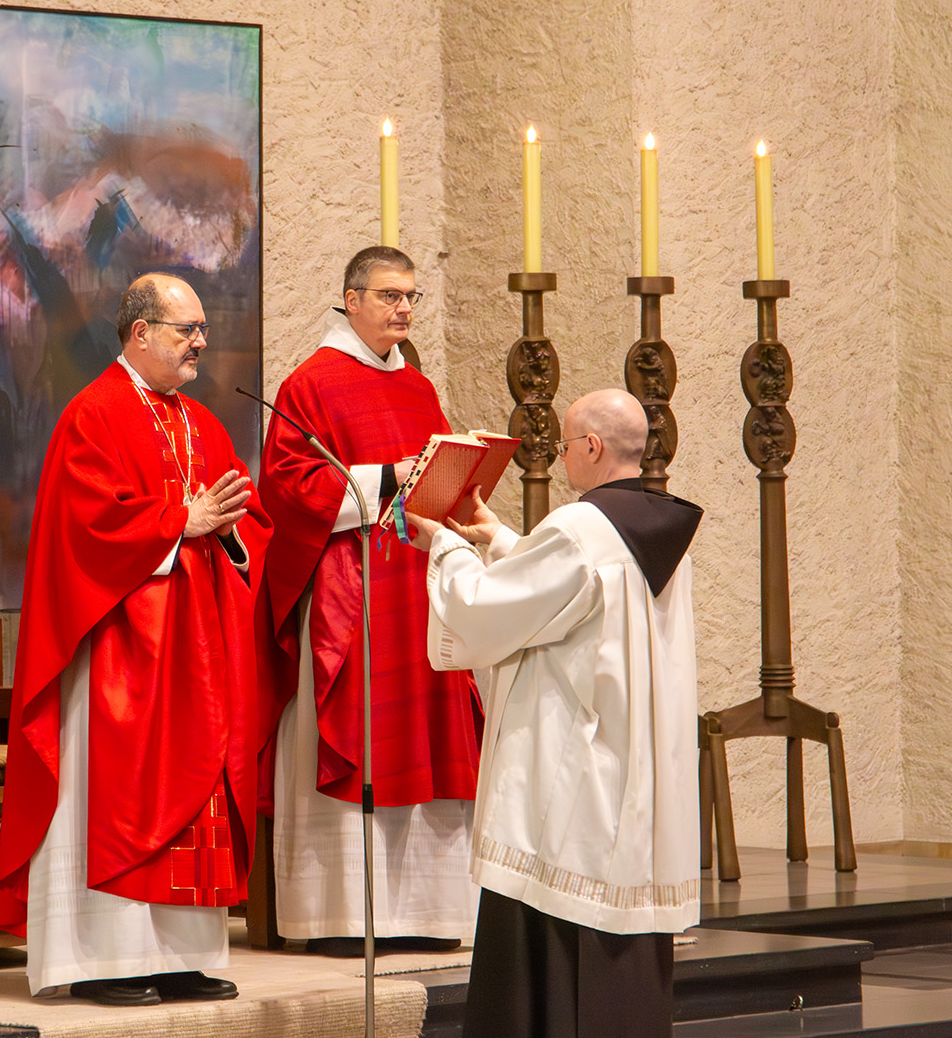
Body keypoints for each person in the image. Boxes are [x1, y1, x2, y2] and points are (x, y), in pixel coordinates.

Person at [0, 272, 272, 1006]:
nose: (201, 343)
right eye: (187, 330)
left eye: (202, 329)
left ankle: (180, 956)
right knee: (119, 800)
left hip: (196, 655)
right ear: (140, 333)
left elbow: (246, 519)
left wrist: (232, 532)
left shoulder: (202, 423)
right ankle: (105, 960)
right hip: (120, 649)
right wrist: (178, 523)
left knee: (196, 796)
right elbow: (84, 530)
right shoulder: (95, 415)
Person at [406, 388, 702, 1038]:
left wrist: (445, 546)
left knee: (548, 971)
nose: (563, 455)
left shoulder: (580, 529)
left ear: (591, 447)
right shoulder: (656, 527)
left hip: (572, 786)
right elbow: (576, 605)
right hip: (632, 781)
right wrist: (503, 539)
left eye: (567, 445)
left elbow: (487, 610)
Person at [256, 245, 481, 954]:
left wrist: (461, 473)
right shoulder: (311, 385)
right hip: (353, 591)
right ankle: (342, 917)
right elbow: (288, 490)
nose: (404, 309)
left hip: (417, 584)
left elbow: (429, 483)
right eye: (389, 296)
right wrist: (387, 477)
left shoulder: (417, 386)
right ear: (350, 299)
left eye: (411, 297)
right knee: (363, 734)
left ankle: (430, 913)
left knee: (436, 734)